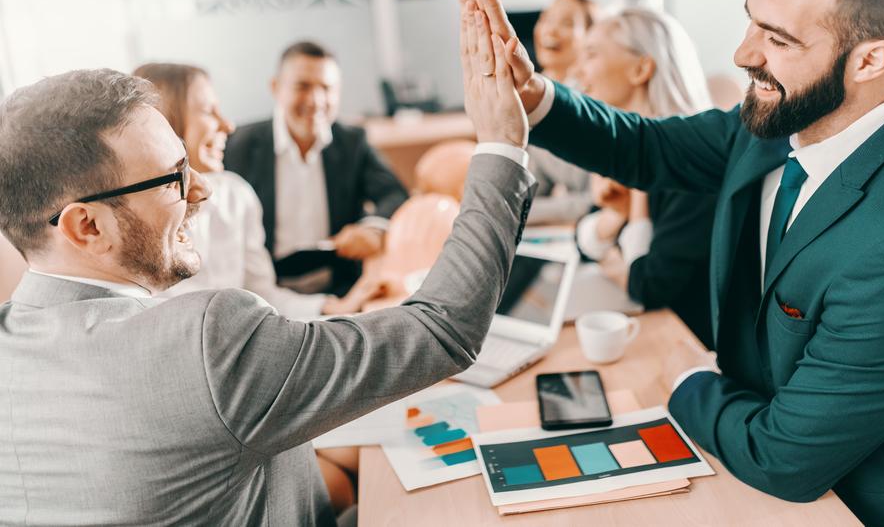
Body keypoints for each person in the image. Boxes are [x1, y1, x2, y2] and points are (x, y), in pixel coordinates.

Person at [461, 0, 884, 526]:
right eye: (753, 22)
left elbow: (785, 458)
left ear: (870, 60)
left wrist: (686, 378)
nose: (744, 54)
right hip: (765, 474)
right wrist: (536, 97)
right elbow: (648, 147)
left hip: (862, 510)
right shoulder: (792, 111)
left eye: (778, 39)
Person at [0, 59, 534, 524]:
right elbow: (445, 329)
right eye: (174, 178)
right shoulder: (205, 342)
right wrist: (501, 144)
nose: (204, 189)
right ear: (86, 227)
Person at [135, 62, 384, 319]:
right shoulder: (136, 217)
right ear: (164, 121)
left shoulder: (236, 195)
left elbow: (263, 295)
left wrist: (331, 307)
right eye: (209, 111)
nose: (227, 125)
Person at [569, 7, 717, 347]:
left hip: (688, 347)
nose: (577, 72)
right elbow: (585, 244)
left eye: (591, 54)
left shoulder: (693, 162)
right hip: (653, 329)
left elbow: (650, 286)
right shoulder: (627, 151)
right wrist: (617, 215)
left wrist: (626, 234)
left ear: (641, 68)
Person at [224, 41, 408, 297]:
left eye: (326, 88)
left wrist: (372, 228)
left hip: (339, 290)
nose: (315, 100)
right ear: (276, 88)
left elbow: (394, 194)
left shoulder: (353, 142)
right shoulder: (237, 145)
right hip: (262, 295)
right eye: (303, 86)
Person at [526, 0, 600, 226]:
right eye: (546, 19)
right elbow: (531, 193)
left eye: (567, 23)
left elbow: (597, 200)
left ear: (592, 37)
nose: (551, 30)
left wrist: (516, 213)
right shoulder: (533, 100)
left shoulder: (597, 100)